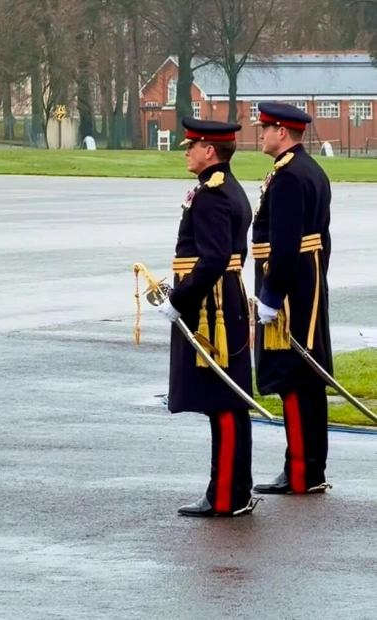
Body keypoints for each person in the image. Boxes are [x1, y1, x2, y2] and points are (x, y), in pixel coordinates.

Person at [157, 118, 256, 517]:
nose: (187, 152)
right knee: (225, 401)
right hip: (222, 298)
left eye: (192, 146)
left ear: (209, 151)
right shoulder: (227, 188)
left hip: (211, 307)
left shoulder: (213, 195)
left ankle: (227, 494)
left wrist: (180, 298)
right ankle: (231, 489)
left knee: (223, 401)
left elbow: (214, 257)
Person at [251, 102, 333, 495]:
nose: (260, 134)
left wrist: (270, 297)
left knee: (294, 378)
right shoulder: (311, 170)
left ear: (282, 132)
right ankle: (310, 467)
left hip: (288, 290)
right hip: (307, 282)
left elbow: (283, 245)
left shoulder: (288, 176)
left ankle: (301, 472)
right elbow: (322, 241)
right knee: (308, 380)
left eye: (265, 129)